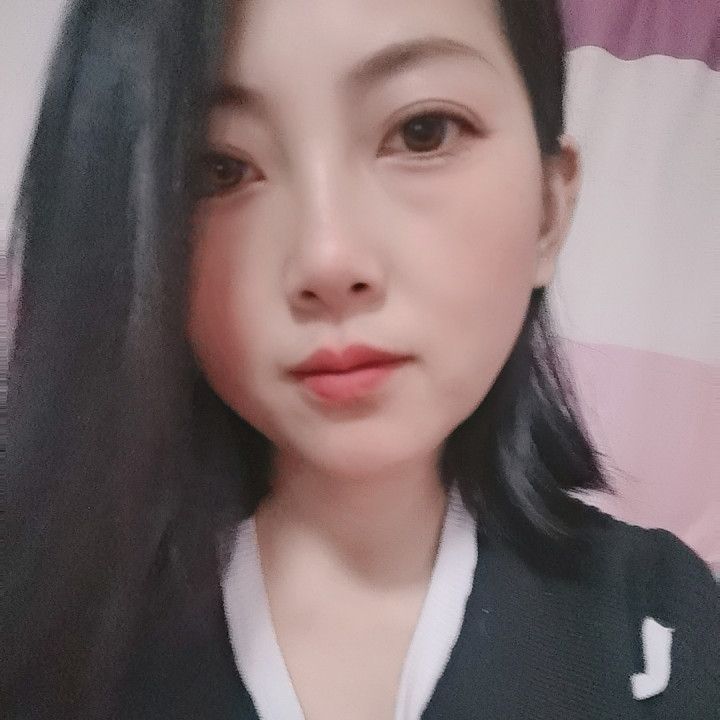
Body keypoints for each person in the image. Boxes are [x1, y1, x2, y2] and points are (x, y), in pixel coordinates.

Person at [5, 0, 717, 718]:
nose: (328, 259)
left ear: (548, 210)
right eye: (218, 169)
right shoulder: (46, 631)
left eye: (422, 131)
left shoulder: (657, 625)